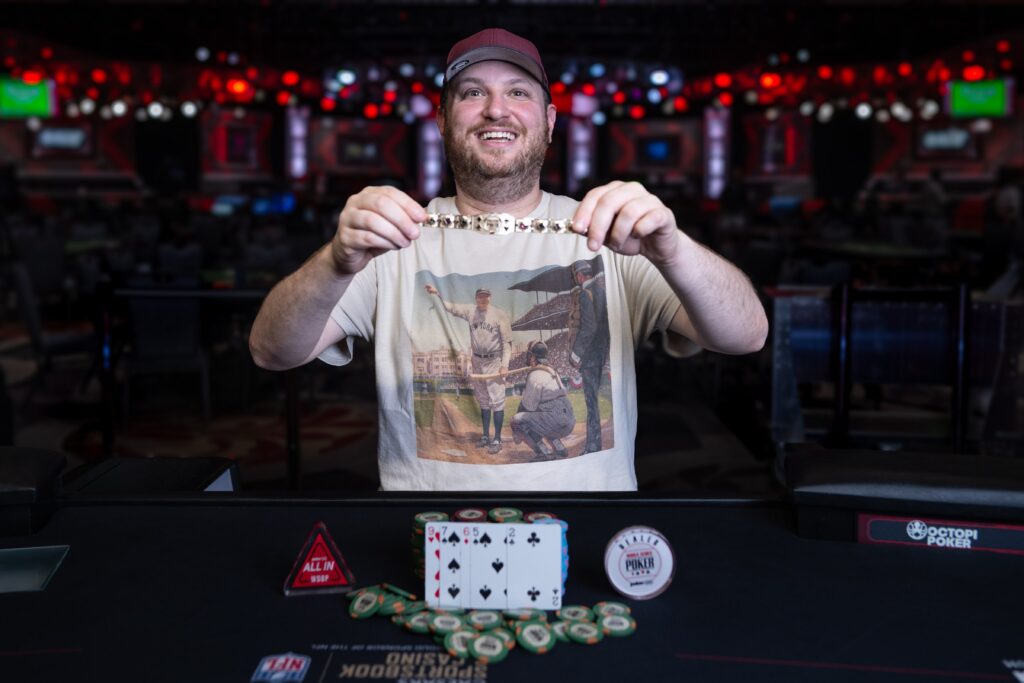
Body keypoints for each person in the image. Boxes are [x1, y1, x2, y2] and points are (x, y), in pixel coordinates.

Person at [249, 27, 768, 491]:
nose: (496, 109)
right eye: (473, 94)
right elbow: (271, 351)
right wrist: (336, 261)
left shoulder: (608, 234)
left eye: (517, 93)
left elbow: (745, 336)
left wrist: (674, 249)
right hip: (423, 535)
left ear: (548, 121)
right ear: (442, 121)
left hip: (586, 535)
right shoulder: (391, 240)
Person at [424, 284, 512, 454]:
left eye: (486, 296)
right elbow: (452, 308)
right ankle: (486, 436)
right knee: (484, 400)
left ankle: (497, 439)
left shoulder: (499, 314)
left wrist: (504, 365)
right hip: (477, 361)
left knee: (497, 400)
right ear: (476, 298)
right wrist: (438, 293)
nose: (483, 299)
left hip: (494, 361)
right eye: (480, 296)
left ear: (490, 297)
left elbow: (508, 344)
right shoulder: (470, 311)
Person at [568, 260, 609, 453]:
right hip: (601, 353)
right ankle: (595, 444)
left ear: (579, 275)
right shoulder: (602, 290)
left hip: (590, 356)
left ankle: (593, 446)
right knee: (594, 402)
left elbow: (589, 327)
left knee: (591, 403)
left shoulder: (585, 294)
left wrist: (576, 354)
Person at [510, 341, 575, 460]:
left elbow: (528, 406)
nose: (528, 358)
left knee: (517, 421)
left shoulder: (535, 374)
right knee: (543, 416)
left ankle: (543, 452)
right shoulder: (552, 370)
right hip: (569, 420)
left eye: (530, 355)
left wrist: (516, 431)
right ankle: (559, 448)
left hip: (554, 421)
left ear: (533, 357)